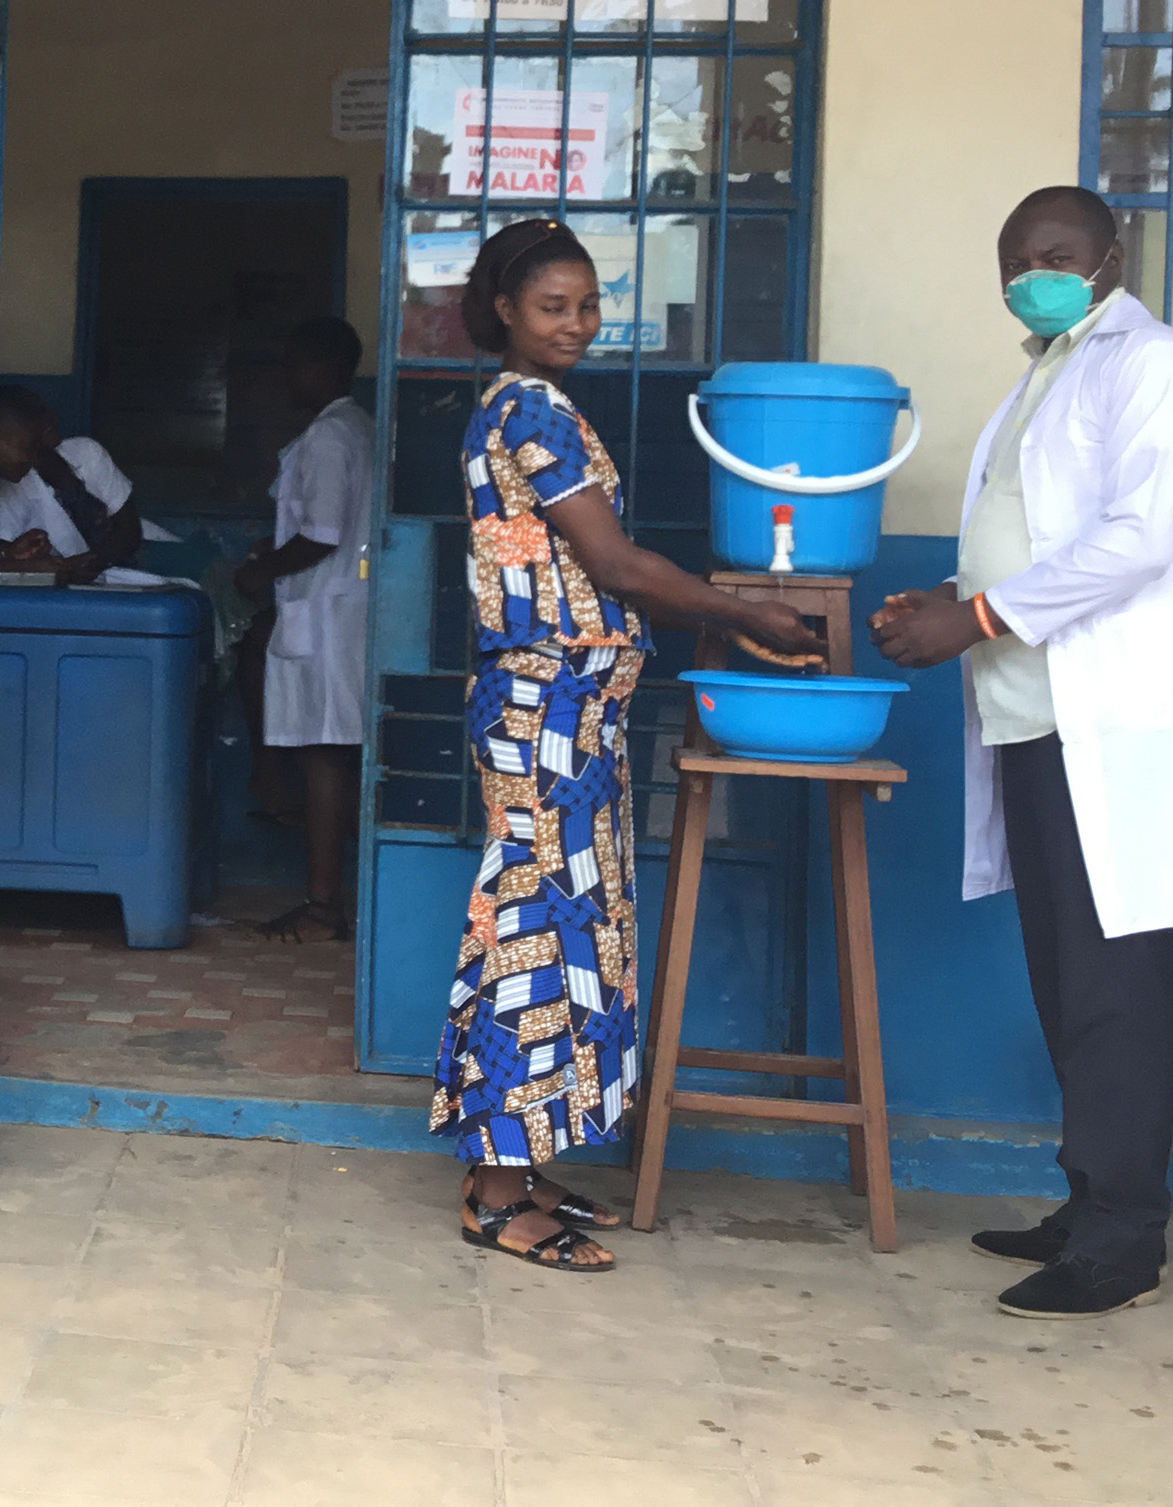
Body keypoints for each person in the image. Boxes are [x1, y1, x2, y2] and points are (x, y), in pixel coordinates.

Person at [871, 186, 1173, 1320]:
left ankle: (1124, 1238)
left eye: (1053, 254)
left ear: (1108, 258)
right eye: (1014, 260)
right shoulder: (1049, 370)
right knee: (1061, 971)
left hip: (1111, 715)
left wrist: (977, 619)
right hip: (1036, 710)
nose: (1031, 275)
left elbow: (1136, 540)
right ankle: (1088, 1199)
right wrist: (949, 598)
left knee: (1110, 983)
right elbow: (1037, 529)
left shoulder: (1157, 365)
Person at [433, 221, 827, 1273]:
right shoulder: (526, 410)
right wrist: (740, 612)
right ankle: (494, 1191)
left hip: (573, 711)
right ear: (506, 311)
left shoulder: (538, 406)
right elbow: (611, 563)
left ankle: (522, 1159)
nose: (577, 323)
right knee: (533, 935)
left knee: (571, 930)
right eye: (552, 306)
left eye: (589, 305)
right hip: (543, 711)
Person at [234, 317, 378, 943]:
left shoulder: (327, 436)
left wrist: (260, 570)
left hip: (328, 615)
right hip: (344, 608)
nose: (286, 378)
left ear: (324, 368)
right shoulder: (359, 427)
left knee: (325, 756)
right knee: (339, 754)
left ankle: (323, 905)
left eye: (293, 366)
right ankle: (350, 896)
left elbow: (321, 534)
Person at [0, 385, 142, 584]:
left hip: (127, 565)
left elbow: (130, 530)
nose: (51, 422)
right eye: (31, 445)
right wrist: (22, 557)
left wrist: (91, 561)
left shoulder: (87, 452)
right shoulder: (10, 484)